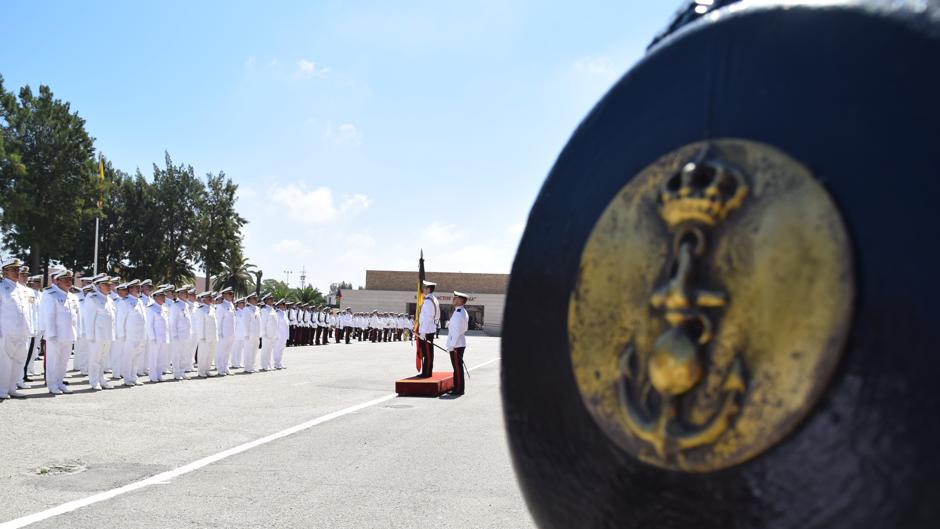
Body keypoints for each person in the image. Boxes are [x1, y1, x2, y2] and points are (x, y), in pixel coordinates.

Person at [39, 269, 80, 395]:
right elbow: (48, 315)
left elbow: (76, 317)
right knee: (53, 361)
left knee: (64, 361)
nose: (69, 281)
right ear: (57, 281)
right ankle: (52, 384)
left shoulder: (73, 297)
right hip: (55, 334)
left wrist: (77, 333)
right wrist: (50, 334)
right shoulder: (50, 294)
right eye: (65, 279)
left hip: (68, 334)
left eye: (70, 279)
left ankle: (60, 382)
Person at [0, 258, 34, 399]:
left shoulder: (23, 289)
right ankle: (2, 389)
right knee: (5, 361)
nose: (17, 272)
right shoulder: (1, 287)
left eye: (18, 269)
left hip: (22, 331)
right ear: (4, 272)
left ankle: (12, 388)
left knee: (19, 360)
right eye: (13, 269)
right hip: (6, 331)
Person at [82, 275, 117, 390]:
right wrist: (90, 335)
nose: (109, 287)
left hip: (107, 334)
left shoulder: (109, 299)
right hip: (97, 335)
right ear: (99, 286)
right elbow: (89, 318)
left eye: (109, 285)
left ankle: (101, 379)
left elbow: (112, 318)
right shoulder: (92, 298)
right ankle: (94, 381)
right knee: (95, 359)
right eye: (106, 285)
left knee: (103, 359)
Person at [120, 280, 147, 386]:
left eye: (139, 287)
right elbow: (121, 320)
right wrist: (122, 335)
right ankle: (127, 378)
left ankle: (133, 376)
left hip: (140, 335)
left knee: (136, 357)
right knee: (128, 357)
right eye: (137, 287)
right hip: (130, 335)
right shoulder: (125, 302)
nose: (139, 289)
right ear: (130, 289)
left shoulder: (139, 301)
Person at [21, 274, 43, 387]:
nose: (38, 284)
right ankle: (22, 375)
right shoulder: (28, 292)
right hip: (28, 327)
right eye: (36, 282)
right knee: (24, 352)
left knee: (32, 351)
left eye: (39, 282)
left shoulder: (39, 294)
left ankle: (28, 370)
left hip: (37, 326)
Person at [447, 291, 470, 395]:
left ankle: (459, 389)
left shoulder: (458, 313)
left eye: (455, 298)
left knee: (457, 368)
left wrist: (452, 345)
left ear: (460, 300)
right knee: (457, 367)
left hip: (456, 344)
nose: (453, 299)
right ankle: (457, 387)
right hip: (459, 343)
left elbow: (456, 332)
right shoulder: (462, 311)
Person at [146, 288, 170, 383]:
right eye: (162, 296)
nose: (164, 298)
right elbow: (149, 325)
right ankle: (153, 376)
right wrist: (152, 338)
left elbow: (166, 324)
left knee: (161, 357)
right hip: (155, 338)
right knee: (153, 357)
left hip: (163, 337)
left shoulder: (164, 308)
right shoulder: (151, 308)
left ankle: (159, 375)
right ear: (156, 297)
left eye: (164, 296)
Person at [192, 291, 219, 378]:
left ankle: (207, 370)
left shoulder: (211, 309)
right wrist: (201, 337)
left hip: (212, 336)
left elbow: (215, 324)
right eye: (208, 298)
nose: (211, 299)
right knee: (203, 354)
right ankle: (201, 371)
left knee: (210, 354)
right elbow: (200, 325)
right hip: (205, 337)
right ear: (204, 299)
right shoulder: (201, 310)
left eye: (211, 297)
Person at [169, 287, 193, 380]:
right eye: (184, 293)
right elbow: (173, 321)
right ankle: (176, 373)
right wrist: (174, 335)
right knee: (177, 354)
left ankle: (182, 371)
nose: (186, 294)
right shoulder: (175, 305)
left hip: (186, 334)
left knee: (184, 354)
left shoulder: (185, 305)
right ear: (179, 294)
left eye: (187, 293)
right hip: (178, 335)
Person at [418, 280, 440, 377]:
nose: (423, 289)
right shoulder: (432, 299)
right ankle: (426, 371)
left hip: (426, 331)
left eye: (425, 288)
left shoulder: (428, 302)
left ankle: (427, 373)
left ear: (429, 289)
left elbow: (426, 319)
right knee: (427, 353)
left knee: (427, 353)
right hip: (429, 329)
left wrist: (423, 333)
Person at [216, 287, 236, 375]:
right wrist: (219, 332)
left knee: (228, 351)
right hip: (223, 333)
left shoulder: (231, 305)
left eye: (232, 294)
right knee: (221, 351)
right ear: (224, 295)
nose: (231, 296)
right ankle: (220, 369)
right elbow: (219, 320)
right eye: (229, 294)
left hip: (231, 332)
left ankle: (225, 367)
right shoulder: (221, 306)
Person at [259, 293, 278, 371]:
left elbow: (275, 323)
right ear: (266, 300)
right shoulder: (264, 310)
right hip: (266, 334)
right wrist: (263, 333)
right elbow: (263, 323)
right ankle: (264, 365)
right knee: (265, 350)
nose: (272, 300)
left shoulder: (272, 309)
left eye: (272, 299)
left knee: (270, 350)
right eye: (270, 299)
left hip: (272, 333)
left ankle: (269, 364)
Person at [243, 293, 262, 373]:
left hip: (256, 333)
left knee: (254, 350)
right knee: (248, 350)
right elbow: (246, 322)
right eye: (254, 298)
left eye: (256, 298)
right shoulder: (246, 309)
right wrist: (246, 334)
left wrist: (260, 333)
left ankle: (252, 366)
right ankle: (247, 367)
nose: (256, 300)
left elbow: (259, 322)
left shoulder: (257, 309)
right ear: (249, 300)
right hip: (250, 334)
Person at [274, 300, 290, 369]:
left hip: (284, 335)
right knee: (277, 349)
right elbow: (276, 325)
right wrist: (276, 335)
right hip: (279, 335)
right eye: (282, 305)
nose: (284, 306)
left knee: (281, 349)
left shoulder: (284, 313)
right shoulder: (277, 313)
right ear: (279, 305)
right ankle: (276, 363)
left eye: (284, 305)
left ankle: (279, 363)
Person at [232, 297, 247, 369]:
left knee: (240, 349)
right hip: (236, 333)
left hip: (243, 333)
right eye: (242, 303)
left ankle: (238, 362)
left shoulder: (245, 312)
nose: (243, 304)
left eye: (244, 303)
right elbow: (234, 324)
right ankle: (234, 363)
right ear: (238, 304)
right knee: (235, 349)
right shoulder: (235, 312)